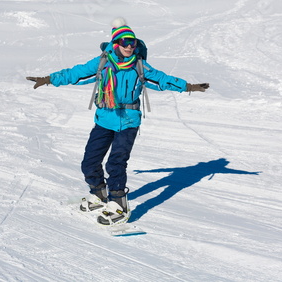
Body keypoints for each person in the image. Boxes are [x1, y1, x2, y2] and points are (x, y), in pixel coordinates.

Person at [26, 17, 209, 225]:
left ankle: (118, 205)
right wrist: (48, 79)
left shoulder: (139, 65)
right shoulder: (102, 62)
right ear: (116, 44)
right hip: (105, 118)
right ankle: (99, 194)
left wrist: (189, 87)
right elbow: (75, 73)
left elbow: (162, 79)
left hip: (129, 121)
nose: (130, 47)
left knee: (116, 163)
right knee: (89, 162)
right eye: (125, 43)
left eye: (132, 42)